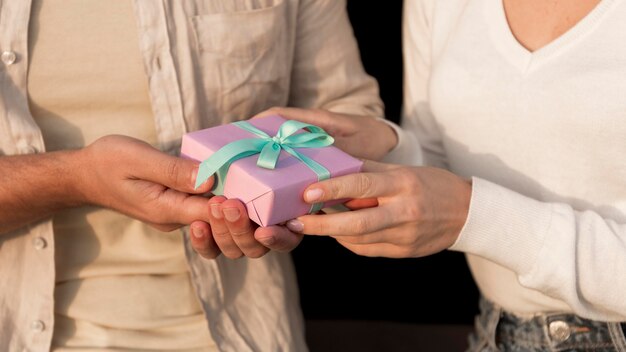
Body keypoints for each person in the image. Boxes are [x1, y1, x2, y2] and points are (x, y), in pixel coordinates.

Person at [220, 0, 626, 350]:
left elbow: (467, 208)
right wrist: (384, 146)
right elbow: (439, 152)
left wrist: (473, 215)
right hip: (497, 331)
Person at [0, 0, 382, 351]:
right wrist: (76, 178)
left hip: (241, 330)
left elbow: (349, 114)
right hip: (29, 332)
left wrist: (300, 196)